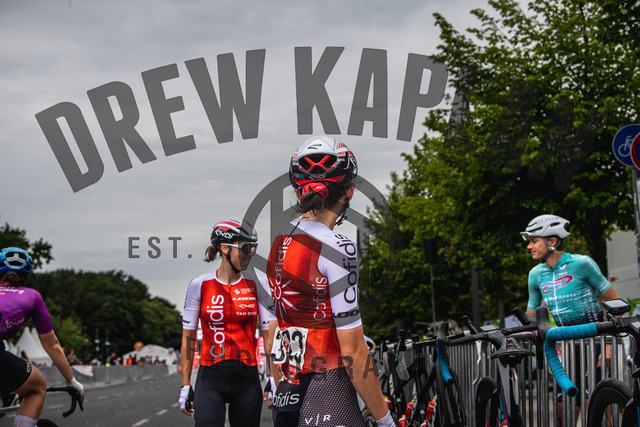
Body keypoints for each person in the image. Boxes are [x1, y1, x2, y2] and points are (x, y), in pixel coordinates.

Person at [266, 136, 394, 427]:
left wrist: (277, 385)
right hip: (327, 392)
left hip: (287, 393)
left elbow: (275, 333)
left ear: (298, 191)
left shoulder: (279, 242)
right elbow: (353, 352)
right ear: (349, 191)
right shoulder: (338, 247)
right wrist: (385, 420)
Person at [521, 214, 620, 425]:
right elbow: (531, 317)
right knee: (562, 411)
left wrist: (608, 346)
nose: (529, 246)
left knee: (596, 408)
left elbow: (615, 302)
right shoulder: (535, 274)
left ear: (552, 241)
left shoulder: (582, 263)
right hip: (565, 347)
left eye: (534, 241)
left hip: (593, 342)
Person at [179, 218, 274, 427]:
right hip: (210, 378)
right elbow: (188, 338)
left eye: (254, 247)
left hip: (247, 379)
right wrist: (185, 385)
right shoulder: (199, 285)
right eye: (246, 247)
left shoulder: (258, 284)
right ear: (224, 248)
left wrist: (273, 378)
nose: (251, 253)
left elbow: (269, 337)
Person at [0, 247, 84, 427]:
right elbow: (52, 345)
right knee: (37, 386)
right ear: (26, 278)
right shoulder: (31, 296)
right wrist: (72, 381)